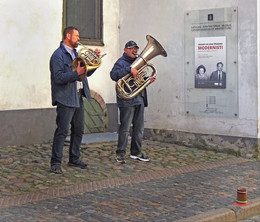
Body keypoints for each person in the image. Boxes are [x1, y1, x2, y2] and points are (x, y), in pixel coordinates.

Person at [50, 26, 100, 174]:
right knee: (62, 131)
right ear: (68, 36)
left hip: (78, 95)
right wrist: (75, 73)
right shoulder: (57, 55)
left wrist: (95, 62)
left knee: (78, 130)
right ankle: (55, 163)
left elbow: (85, 74)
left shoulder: (76, 54)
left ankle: (74, 158)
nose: (79, 38)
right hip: (65, 97)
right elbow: (58, 78)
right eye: (76, 36)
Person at [110, 40, 155, 164]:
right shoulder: (121, 62)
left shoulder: (139, 62)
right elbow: (113, 75)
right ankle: (120, 154)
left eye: (136, 48)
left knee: (139, 128)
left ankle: (136, 152)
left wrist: (147, 80)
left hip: (139, 98)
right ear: (125, 50)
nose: (134, 51)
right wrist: (129, 69)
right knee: (125, 129)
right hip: (127, 101)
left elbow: (137, 80)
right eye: (131, 49)